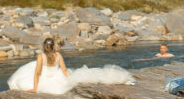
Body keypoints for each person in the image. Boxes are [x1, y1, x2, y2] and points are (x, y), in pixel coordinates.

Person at [7, 37, 135, 94]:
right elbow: (64, 70)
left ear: (44, 47)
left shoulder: (41, 57)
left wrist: (35, 88)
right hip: (57, 76)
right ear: (53, 46)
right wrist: (70, 78)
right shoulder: (58, 55)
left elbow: (37, 73)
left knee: (21, 80)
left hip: (45, 78)